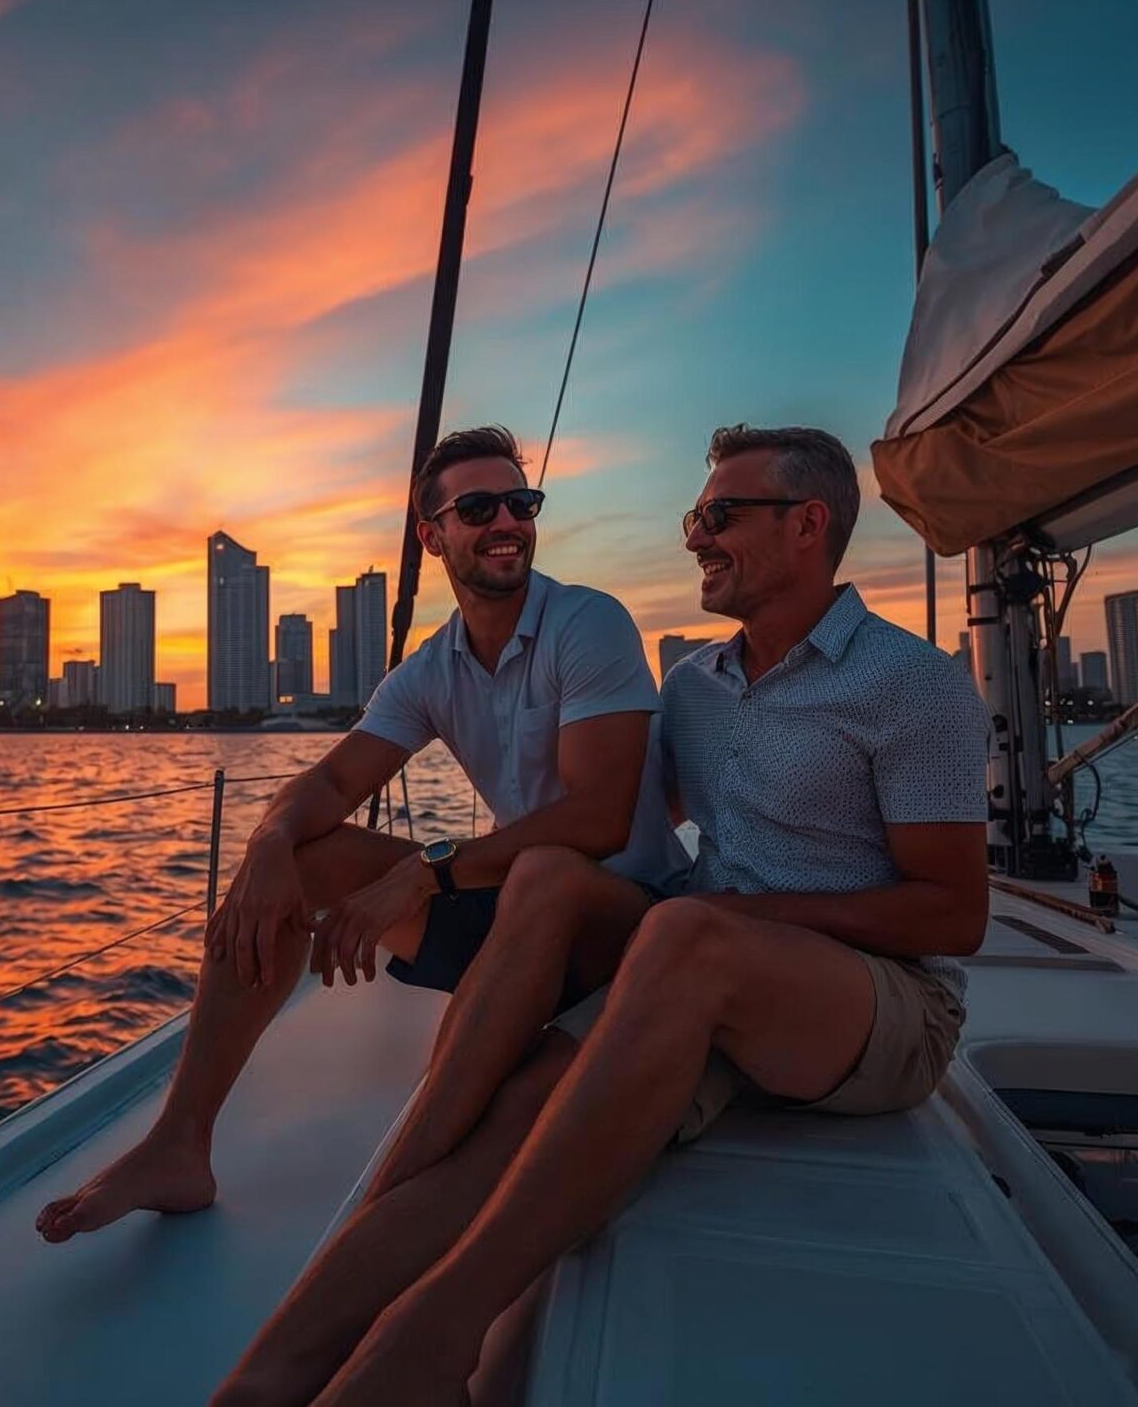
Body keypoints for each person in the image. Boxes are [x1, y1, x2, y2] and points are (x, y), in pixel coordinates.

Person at [214, 425, 991, 1405]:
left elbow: (953, 917)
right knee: (521, 1108)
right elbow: (618, 823)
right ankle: (267, 1373)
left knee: (684, 930)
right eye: (694, 517)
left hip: (884, 1009)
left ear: (807, 524)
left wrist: (734, 915)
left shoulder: (910, 683)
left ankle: (434, 1334)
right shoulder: (695, 688)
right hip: (701, 976)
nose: (694, 536)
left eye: (719, 515)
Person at [35, 426, 687, 1244]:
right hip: (515, 912)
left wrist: (421, 875)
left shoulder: (586, 624)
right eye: (478, 508)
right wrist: (267, 847)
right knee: (307, 860)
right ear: (431, 536)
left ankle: (399, 1209)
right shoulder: (432, 670)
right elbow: (334, 784)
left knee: (541, 874)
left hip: (622, 923)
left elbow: (600, 818)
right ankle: (179, 1144)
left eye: (521, 504)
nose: (506, 522)